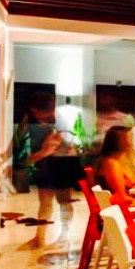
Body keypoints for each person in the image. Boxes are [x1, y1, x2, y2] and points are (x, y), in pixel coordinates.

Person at [25, 92, 78, 225]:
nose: (37, 117)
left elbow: (58, 147)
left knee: (63, 202)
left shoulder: (58, 124)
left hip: (61, 164)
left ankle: (64, 232)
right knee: (47, 203)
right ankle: (42, 235)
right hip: (48, 165)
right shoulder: (38, 124)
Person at [94, 126, 135, 208]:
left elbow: (117, 191)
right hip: (121, 210)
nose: (129, 143)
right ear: (118, 142)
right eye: (127, 138)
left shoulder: (106, 160)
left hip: (115, 207)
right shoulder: (112, 164)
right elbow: (122, 198)